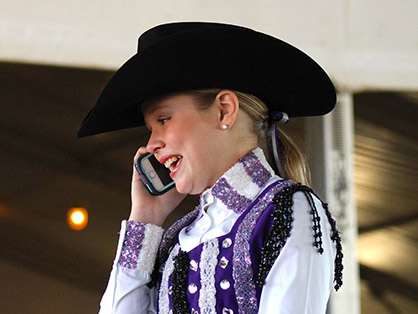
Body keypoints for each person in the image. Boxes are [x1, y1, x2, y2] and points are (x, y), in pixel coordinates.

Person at [78, 22, 343, 314]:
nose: (151, 144)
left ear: (224, 110)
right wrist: (145, 221)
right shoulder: (179, 240)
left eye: (163, 120)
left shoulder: (288, 210)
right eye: (150, 128)